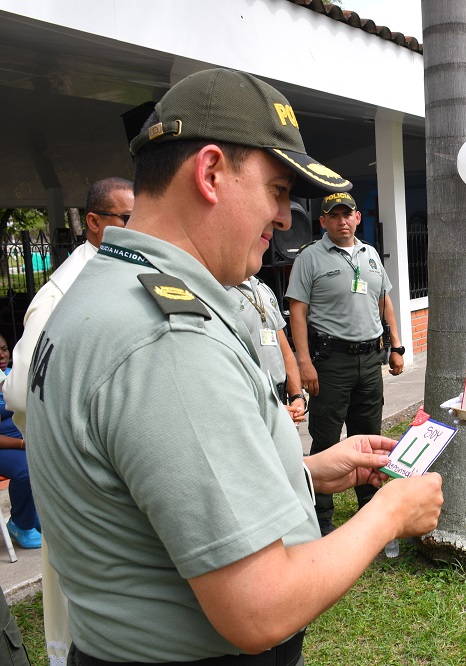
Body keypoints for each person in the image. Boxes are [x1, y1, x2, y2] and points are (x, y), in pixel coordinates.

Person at [26, 67, 443, 663]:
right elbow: (259, 608)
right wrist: (390, 514)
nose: (285, 217)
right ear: (211, 173)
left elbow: (156, 490)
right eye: (277, 190)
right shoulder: (167, 339)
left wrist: (301, 473)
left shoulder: (102, 291)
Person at [6, 176, 134, 665]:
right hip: (82, 469)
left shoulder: (122, 271)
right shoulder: (60, 294)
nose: (139, 228)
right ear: (94, 223)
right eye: (127, 219)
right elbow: (22, 392)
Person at [287, 190, 405, 535]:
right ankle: (320, 518)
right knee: (326, 438)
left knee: (369, 436)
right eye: (334, 216)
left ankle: (370, 509)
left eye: (347, 214)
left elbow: (384, 301)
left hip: (370, 361)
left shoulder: (370, 254)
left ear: (357, 217)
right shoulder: (310, 257)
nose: (342, 221)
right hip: (331, 362)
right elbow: (298, 310)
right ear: (323, 221)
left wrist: (396, 345)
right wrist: (304, 362)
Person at [228, 275, 306, 423]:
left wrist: (297, 397)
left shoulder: (263, 288)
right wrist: (268, 409)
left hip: (279, 397)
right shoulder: (220, 292)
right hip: (250, 399)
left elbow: (285, 352)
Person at [0, 335, 37, 550]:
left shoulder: (13, 377)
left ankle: (37, 516)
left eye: (4, 349)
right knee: (26, 469)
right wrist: (23, 444)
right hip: (5, 445)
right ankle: (20, 524)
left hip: (22, 439)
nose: (2, 355)